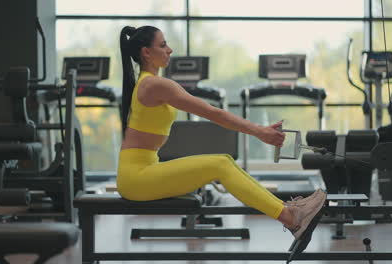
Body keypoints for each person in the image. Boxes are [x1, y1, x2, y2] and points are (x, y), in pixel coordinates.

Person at [116, 25, 327, 240]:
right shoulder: (153, 85)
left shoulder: (149, 83)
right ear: (146, 52)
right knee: (220, 164)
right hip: (137, 178)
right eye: (163, 45)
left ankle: (288, 209)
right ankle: (291, 217)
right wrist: (259, 132)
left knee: (223, 161)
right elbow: (213, 113)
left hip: (143, 171)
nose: (170, 49)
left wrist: (259, 131)